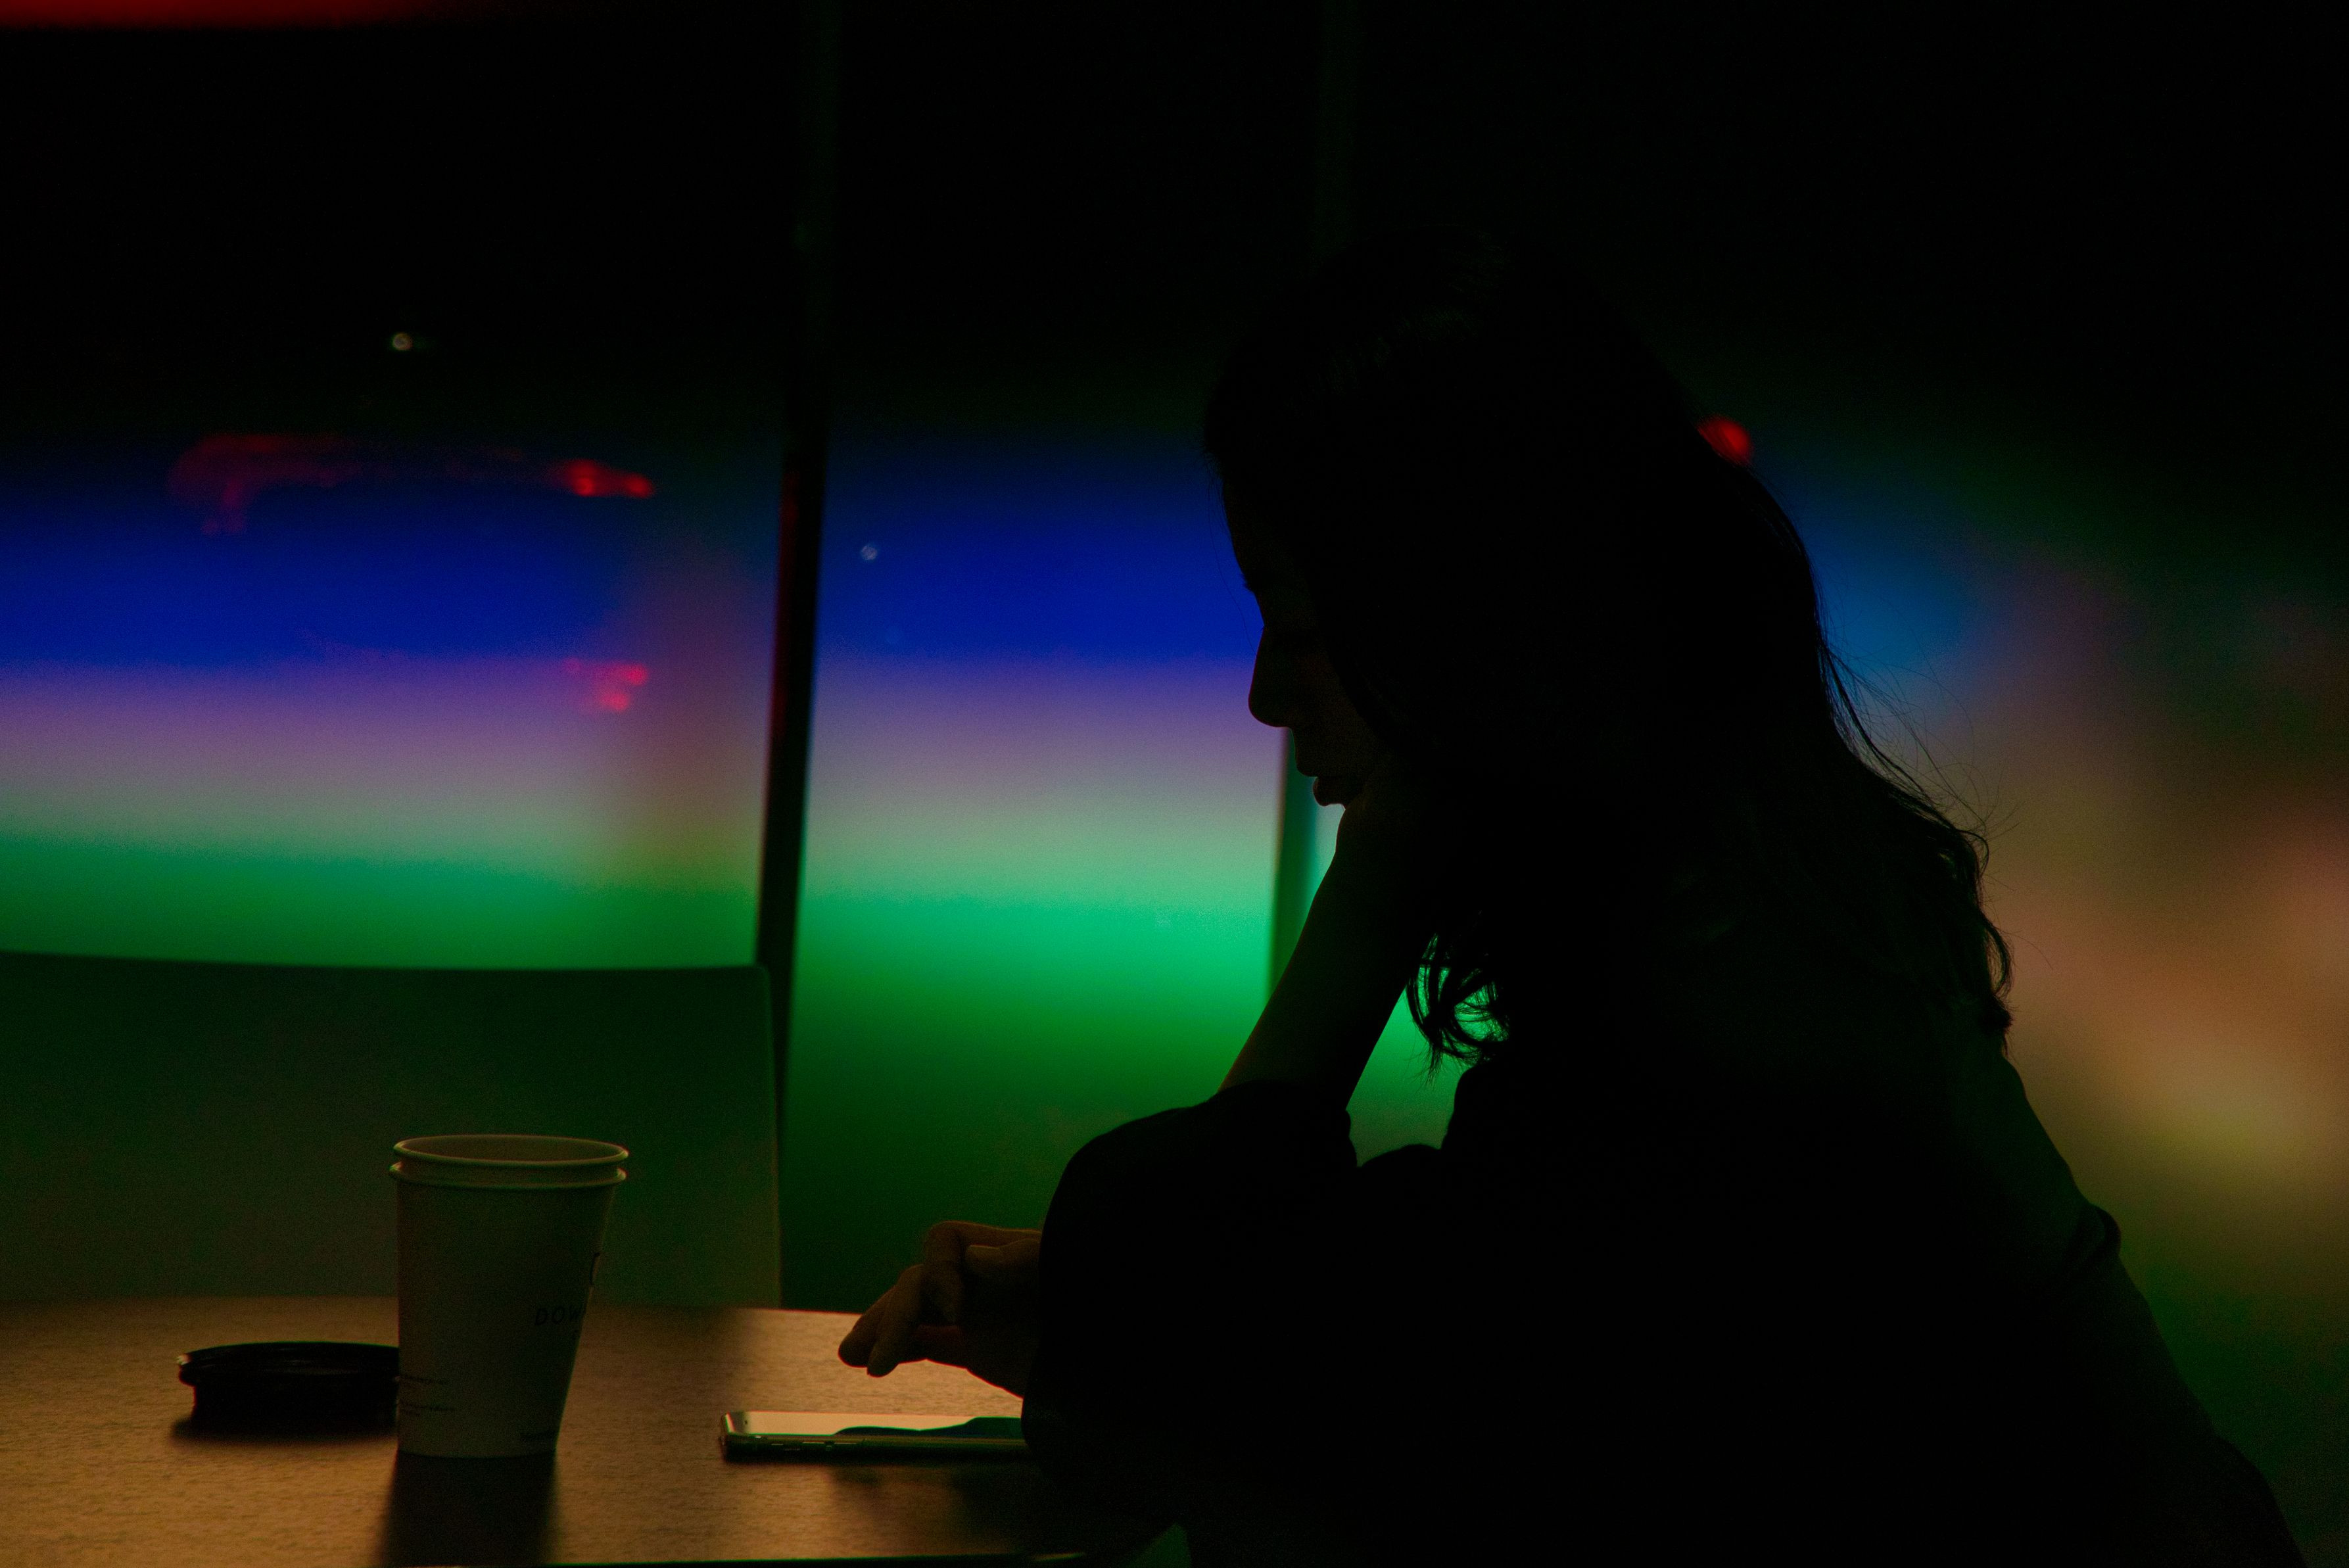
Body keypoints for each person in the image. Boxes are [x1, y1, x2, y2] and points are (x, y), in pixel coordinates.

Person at [838, 226, 2304, 1566]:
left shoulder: (1726, 1041)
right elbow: (1439, 1342)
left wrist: (1371, 896)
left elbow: (1374, 1418)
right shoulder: (1767, 937)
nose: (1266, 696)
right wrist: (1123, 1302)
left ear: (1466, 630)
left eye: (1305, 623)